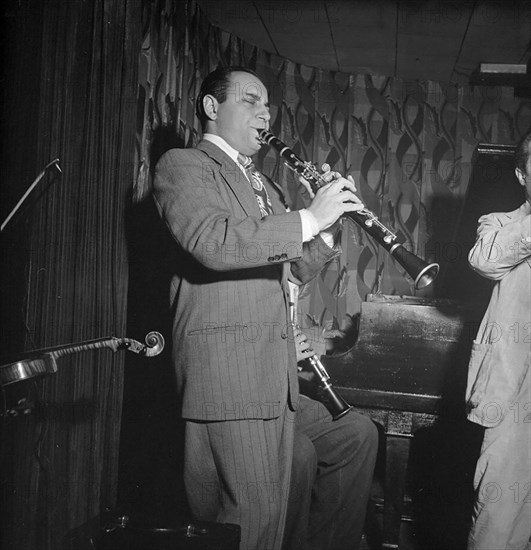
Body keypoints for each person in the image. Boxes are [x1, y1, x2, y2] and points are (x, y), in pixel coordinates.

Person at [152, 66, 378, 550]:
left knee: (352, 440)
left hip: (271, 375)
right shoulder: (185, 166)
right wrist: (307, 216)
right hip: (231, 376)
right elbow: (213, 243)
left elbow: (288, 273)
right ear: (212, 108)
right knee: (252, 525)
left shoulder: (268, 188)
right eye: (251, 100)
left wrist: (326, 229)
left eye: (269, 105)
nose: (266, 113)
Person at [465, 131, 531, 550]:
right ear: (523, 175)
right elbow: (484, 260)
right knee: (499, 523)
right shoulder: (499, 224)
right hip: (516, 398)